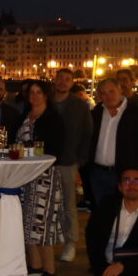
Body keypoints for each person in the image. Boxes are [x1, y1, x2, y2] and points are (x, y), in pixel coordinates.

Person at [16, 81, 66, 276]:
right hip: (25, 176)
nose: (35, 96)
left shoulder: (53, 119)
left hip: (45, 176)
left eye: (39, 93)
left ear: (46, 95)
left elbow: (53, 149)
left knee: (42, 223)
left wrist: (24, 151)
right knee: (27, 222)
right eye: (32, 93)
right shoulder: (25, 116)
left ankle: (50, 269)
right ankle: (34, 266)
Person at [88, 79, 138, 207]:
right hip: (97, 173)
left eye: (111, 91)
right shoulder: (96, 113)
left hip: (124, 173)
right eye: (103, 93)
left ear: (120, 91)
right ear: (99, 96)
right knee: (100, 211)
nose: (108, 96)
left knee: (122, 211)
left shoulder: (135, 113)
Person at [52, 68, 93, 263]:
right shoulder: (45, 100)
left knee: (69, 204)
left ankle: (71, 242)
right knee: (47, 203)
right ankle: (47, 240)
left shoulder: (80, 105)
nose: (62, 82)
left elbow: (87, 132)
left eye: (67, 80)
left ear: (71, 83)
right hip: (45, 161)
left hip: (68, 160)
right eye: (60, 78)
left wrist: (81, 158)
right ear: (54, 80)